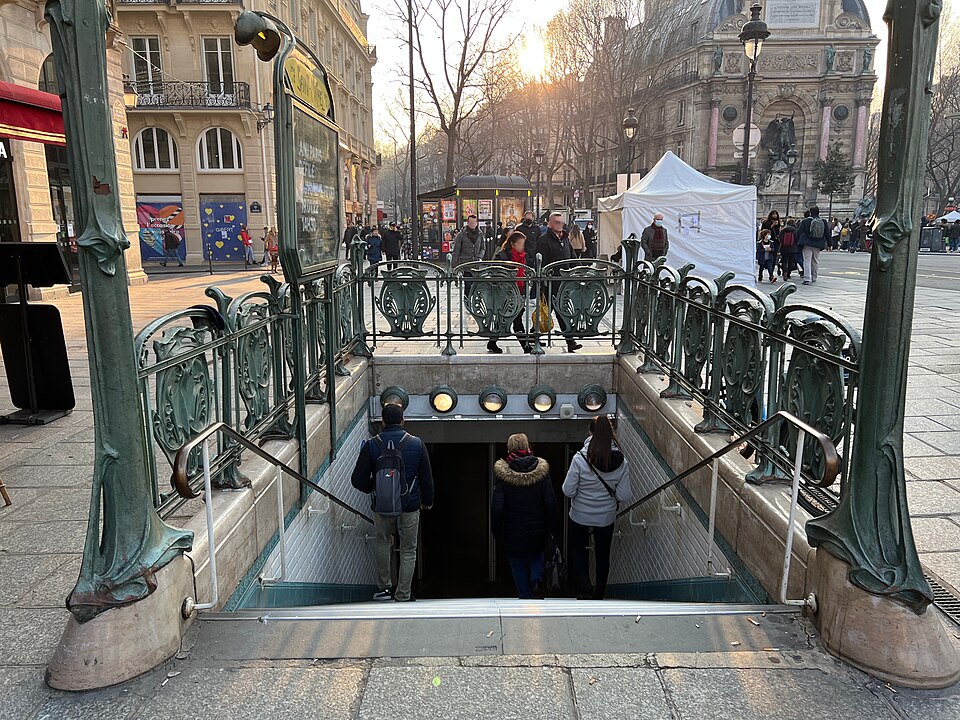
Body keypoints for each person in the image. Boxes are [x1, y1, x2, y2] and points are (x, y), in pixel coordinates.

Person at [351, 403, 434, 602]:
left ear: (383, 422)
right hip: (409, 505)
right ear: (403, 421)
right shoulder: (416, 443)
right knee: (408, 549)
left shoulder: (372, 444)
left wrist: (374, 487)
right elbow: (426, 478)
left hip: (382, 505)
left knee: (383, 543)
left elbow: (357, 480)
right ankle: (403, 594)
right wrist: (427, 502)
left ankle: (384, 589)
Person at [563, 415, 632, 600]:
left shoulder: (579, 459)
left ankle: (585, 588)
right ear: (612, 433)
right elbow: (624, 495)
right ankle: (599, 593)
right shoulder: (621, 462)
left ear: (590, 432)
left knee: (577, 549)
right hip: (605, 517)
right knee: (603, 554)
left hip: (579, 515)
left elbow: (568, 490)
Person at [491, 433, 560, 599]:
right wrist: (555, 528)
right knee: (536, 554)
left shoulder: (503, 475)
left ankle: (524, 593)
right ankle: (536, 581)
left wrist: (496, 530)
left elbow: (498, 508)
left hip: (512, 530)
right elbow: (550, 503)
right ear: (528, 447)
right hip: (538, 528)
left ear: (509, 449)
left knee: (517, 561)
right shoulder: (541, 473)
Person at [538, 212, 582, 353]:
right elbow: (540, 261)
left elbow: (572, 257)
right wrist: (543, 280)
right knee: (556, 311)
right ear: (550, 224)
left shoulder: (565, 239)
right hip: (551, 282)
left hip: (564, 282)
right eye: (557, 222)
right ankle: (570, 341)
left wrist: (578, 269)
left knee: (549, 311)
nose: (560, 225)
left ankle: (534, 336)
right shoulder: (543, 240)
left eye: (561, 223)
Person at [488, 231, 534, 354]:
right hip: (506, 293)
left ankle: (492, 342)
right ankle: (526, 347)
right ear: (513, 244)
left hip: (519, 292)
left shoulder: (524, 256)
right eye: (520, 244)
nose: (522, 247)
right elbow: (494, 271)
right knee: (515, 320)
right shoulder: (503, 256)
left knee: (506, 318)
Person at [796, 205, 827, 285]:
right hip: (818, 243)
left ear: (810, 212)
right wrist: (830, 244)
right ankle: (814, 277)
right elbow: (827, 234)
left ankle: (807, 278)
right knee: (815, 261)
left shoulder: (805, 221)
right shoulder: (823, 221)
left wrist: (797, 241)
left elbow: (798, 232)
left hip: (807, 243)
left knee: (807, 260)